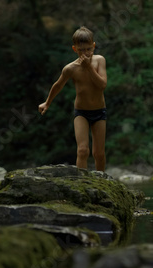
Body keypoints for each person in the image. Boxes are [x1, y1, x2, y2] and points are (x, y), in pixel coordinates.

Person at [38, 26, 108, 171]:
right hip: (81, 113)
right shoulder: (70, 68)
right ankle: (82, 182)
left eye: (89, 49)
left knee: (98, 153)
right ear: (74, 49)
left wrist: (89, 68)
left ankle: (103, 184)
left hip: (99, 112)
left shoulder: (99, 61)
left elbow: (102, 85)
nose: (86, 53)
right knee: (82, 150)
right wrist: (47, 102)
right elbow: (57, 86)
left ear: (94, 46)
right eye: (81, 50)